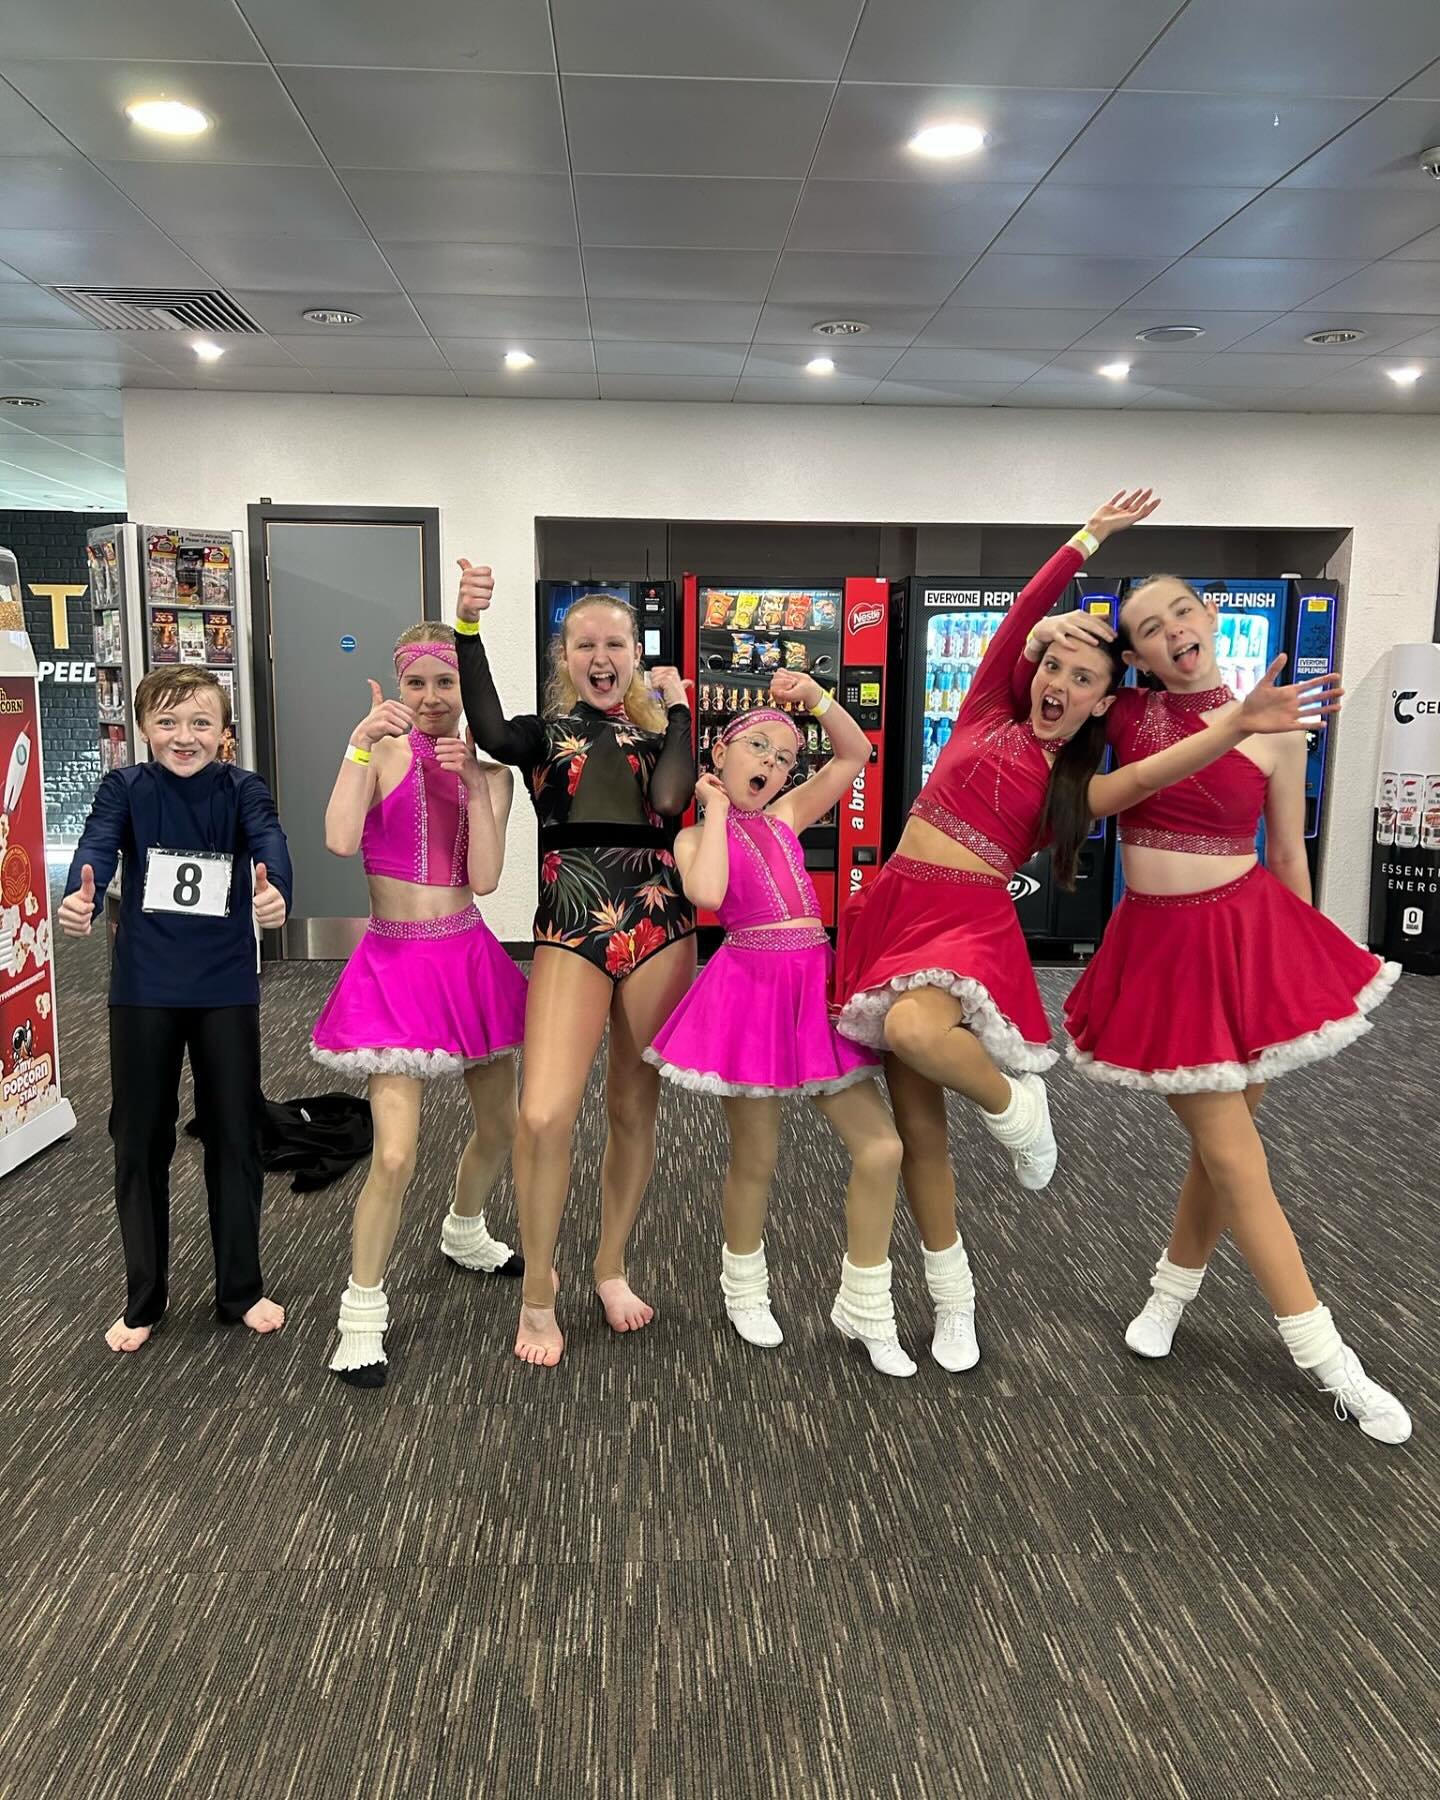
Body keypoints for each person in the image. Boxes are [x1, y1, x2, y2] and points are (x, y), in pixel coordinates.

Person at [834, 491, 1343, 1376]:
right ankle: (953, 1304)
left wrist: (1233, 723)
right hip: (894, 905)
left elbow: (1159, 767)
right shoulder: (986, 706)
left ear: (1106, 701)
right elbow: (1023, 618)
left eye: (1082, 679)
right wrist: (1087, 539)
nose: (1059, 686)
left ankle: (1019, 1107)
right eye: (1053, 669)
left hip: (964, 920)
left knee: (920, 1032)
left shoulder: (1080, 788)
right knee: (918, 1131)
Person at [1027, 576, 1410, 1444]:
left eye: (1182, 615)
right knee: (1239, 1160)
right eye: (1148, 629)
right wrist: (1078, 622)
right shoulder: (1124, 715)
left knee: (1220, 1151)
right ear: (1140, 654)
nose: (1170, 634)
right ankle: (1329, 1359)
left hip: (1250, 946)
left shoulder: (1278, 730)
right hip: (1162, 956)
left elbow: (1285, 849)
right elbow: (1041, 666)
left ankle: (1169, 1293)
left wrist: (1301, 965)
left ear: (1210, 619)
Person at [455, 563, 697, 1367]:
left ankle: (611, 1267)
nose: (602, 657)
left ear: (636, 654)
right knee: (543, 1116)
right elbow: (486, 728)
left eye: (616, 644)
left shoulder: (661, 738)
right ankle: (538, 1291)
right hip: (570, 927)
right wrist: (467, 627)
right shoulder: (538, 734)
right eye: (585, 644)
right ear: (565, 656)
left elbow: (668, 804)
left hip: (660, 926)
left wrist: (682, 708)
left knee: (634, 1111)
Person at [646, 674, 915, 1376]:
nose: (772, 763)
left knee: (882, 1149)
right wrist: (709, 811)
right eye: (757, 747)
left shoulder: (788, 815)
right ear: (720, 754)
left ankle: (865, 1301)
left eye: (786, 757)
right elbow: (706, 894)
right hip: (748, 995)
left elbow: (855, 756)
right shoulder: (692, 838)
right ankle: (744, 1288)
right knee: (756, 1160)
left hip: (812, 993)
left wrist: (820, 702)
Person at [313, 625, 527, 1388]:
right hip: (395, 967)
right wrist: (358, 743)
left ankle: (464, 1230)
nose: (433, 700)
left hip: (468, 960)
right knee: (395, 1154)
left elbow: (489, 877)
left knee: (501, 1127)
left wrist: (474, 784)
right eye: (418, 685)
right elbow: (340, 839)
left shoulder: (494, 776)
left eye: (447, 684)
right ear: (398, 687)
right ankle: (360, 1316)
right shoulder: (381, 756)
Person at [57, 665, 292, 1354]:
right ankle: (143, 1297)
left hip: (224, 986)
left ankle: (241, 1288)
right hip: (143, 988)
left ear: (225, 733)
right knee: (139, 1139)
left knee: (233, 1133)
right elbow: (98, 846)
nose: (182, 736)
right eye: (166, 722)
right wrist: (81, 890)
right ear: (142, 730)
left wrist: (275, 887)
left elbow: (269, 842)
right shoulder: (123, 788)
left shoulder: (244, 788)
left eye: (199, 723)